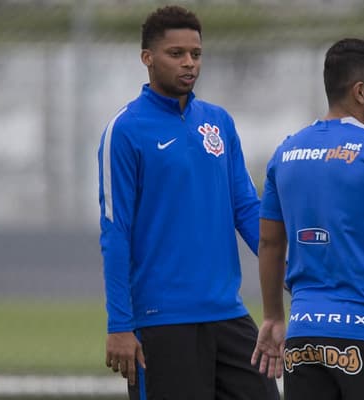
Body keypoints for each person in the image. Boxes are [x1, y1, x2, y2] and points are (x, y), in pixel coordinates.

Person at [97, 5, 279, 400]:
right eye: (176, 53)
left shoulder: (219, 121)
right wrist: (119, 325)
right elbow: (115, 232)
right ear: (147, 58)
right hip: (162, 321)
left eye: (195, 54)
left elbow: (247, 209)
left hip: (228, 313)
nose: (189, 63)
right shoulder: (125, 130)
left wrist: (296, 267)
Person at [251, 38, 364, 400]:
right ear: (361, 91)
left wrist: (272, 317)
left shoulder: (286, 151)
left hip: (303, 337)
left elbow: (270, 242)